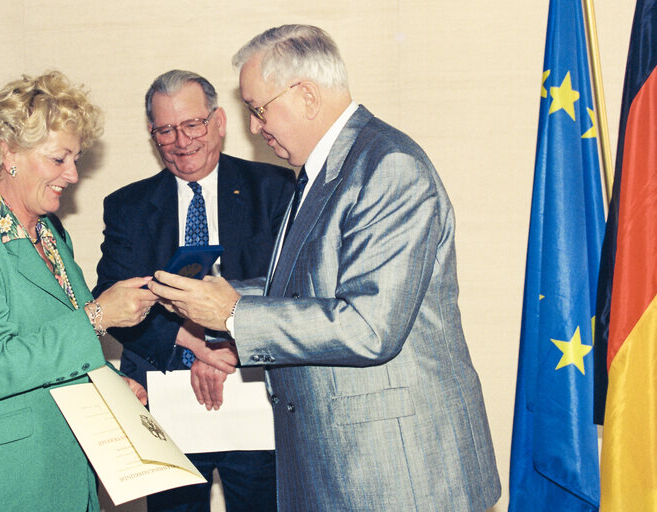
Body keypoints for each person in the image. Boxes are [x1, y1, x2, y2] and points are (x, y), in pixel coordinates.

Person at [149, 25, 502, 511]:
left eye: (258, 109)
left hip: (397, 472)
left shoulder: (387, 167)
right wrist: (210, 296)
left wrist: (234, 316)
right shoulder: (325, 169)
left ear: (307, 96)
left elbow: (368, 327)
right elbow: (301, 290)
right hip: (339, 466)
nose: (254, 127)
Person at [0, 71, 157, 512]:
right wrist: (97, 317)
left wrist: (105, 380)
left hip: (64, 471)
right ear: (8, 152)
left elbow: (55, 344)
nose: (73, 174)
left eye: (77, 159)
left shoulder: (51, 236)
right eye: (59, 159)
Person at [93, 70, 293, 512]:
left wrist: (225, 343)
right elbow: (111, 297)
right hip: (165, 402)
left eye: (192, 125)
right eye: (165, 130)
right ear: (152, 134)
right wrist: (198, 343)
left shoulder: (275, 189)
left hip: (253, 392)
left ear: (219, 121)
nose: (181, 141)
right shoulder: (126, 205)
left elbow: (289, 289)